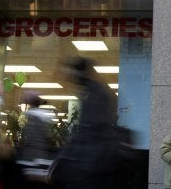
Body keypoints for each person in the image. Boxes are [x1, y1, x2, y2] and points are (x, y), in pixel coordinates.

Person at [50, 57, 119, 189]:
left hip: (90, 165)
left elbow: (89, 131)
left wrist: (62, 156)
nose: (67, 77)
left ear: (79, 73)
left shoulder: (94, 94)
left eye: (70, 72)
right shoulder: (92, 91)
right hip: (92, 164)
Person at [17, 91, 55, 189]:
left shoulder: (33, 118)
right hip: (41, 158)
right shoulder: (43, 118)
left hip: (33, 159)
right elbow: (47, 138)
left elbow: (30, 139)